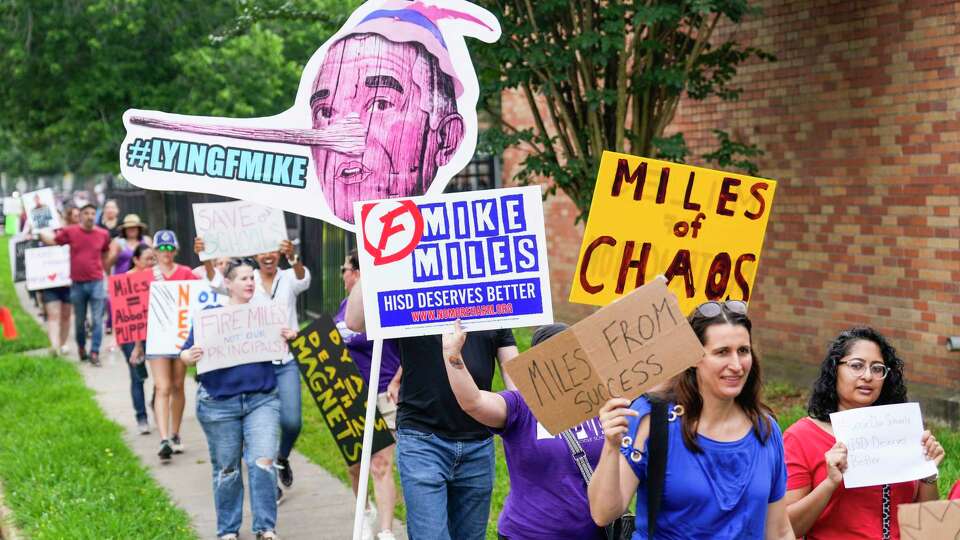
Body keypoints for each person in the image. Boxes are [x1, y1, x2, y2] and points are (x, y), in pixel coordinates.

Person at [588, 300, 795, 539]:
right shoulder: (651, 419)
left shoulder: (765, 429)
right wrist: (612, 447)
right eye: (722, 352)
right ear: (694, 356)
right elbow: (603, 513)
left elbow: (779, 531)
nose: (736, 365)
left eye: (743, 351)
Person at [345, 277, 519, 540]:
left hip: (478, 444)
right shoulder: (410, 286)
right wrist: (372, 263)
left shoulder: (491, 294)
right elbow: (354, 321)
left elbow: (515, 376)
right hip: (422, 441)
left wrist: (531, 421)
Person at [441, 320, 606, 540]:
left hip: (594, 534)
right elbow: (474, 402)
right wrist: (453, 355)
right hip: (528, 534)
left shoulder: (599, 402)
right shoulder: (521, 405)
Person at [783, 327, 946, 539]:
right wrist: (830, 483)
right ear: (835, 370)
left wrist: (928, 476)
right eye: (856, 366)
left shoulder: (903, 431)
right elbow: (785, 529)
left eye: (877, 369)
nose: (868, 376)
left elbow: (930, 528)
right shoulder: (801, 437)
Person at [180, 258, 297, 540]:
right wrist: (190, 356)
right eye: (243, 278)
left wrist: (290, 336)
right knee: (228, 469)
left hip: (261, 400)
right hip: (218, 404)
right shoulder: (211, 316)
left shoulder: (266, 315)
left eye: (251, 278)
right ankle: (228, 530)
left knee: (263, 462)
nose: (249, 282)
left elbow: (281, 348)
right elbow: (183, 354)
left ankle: (265, 528)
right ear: (228, 284)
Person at [200, 236, 310, 500]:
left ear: (280, 253)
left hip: (284, 361)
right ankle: (268, 480)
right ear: (255, 255)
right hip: (258, 365)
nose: (268, 256)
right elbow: (216, 283)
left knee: (292, 422)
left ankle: (282, 456)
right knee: (260, 429)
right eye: (262, 251)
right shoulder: (247, 281)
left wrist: (293, 257)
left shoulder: (287, 278)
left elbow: (303, 279)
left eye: (273, 250)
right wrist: (206, 257)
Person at [334, 249, 401, 540]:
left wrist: (398, 379)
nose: (343, 275)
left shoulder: (387, 302)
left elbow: (411, 347)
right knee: (355, 466)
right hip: (350, 398)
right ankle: (364, 512)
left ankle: (385, 530)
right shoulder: (343, 307)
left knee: (381, 464)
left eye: (345, 269)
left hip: (384, 392)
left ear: (358, 273)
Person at [149, 229, 200, 460]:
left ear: (175, 250)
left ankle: (176, 433)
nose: (166, 253)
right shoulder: (146, 275)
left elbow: (201, 296)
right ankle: (163, 439)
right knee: (162, 387)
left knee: (178, 385)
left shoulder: (186, 273)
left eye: (170, 248)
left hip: (180, 337)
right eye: (162, 248)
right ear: (155, 251)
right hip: (157, 339)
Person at [39, 203, 110, 366]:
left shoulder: (103, 234)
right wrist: (39, 233)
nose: (90, 216)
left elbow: (106, 253)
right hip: (77, 283)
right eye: (86, 213)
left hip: (97, 282)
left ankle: (95, 352)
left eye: (93, 213)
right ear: (80, 216)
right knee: (79, 321)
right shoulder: (71, 231)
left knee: (98, 320)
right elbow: (54, 241)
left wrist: (107, 272)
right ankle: (81, 348)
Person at [120, 244, 159, 434]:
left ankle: (155, 403)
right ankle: (141, 417)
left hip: (154, 333)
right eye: (147, 259)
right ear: (136, 260)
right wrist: (137, 345)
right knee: (138, 376)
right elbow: (128, 316)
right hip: (131, 337)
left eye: (154, 259)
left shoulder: (158, 278)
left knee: (161, 378)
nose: (151, 263)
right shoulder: (127, 280)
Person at [106, 214, 151, 335]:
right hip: (123, 283)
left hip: (142, 282)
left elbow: (153, 259)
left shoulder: (146, 240)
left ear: (139, 228)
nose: (132, 230)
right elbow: (108, 263)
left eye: (134, 227)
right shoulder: (117, 242)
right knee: (123, 314)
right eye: (129, 227)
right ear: (124, 229)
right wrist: (116, 253)